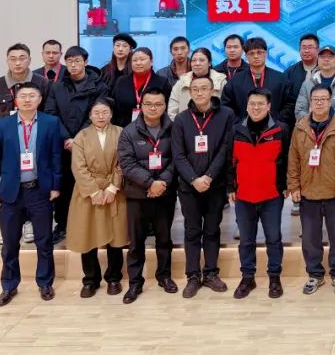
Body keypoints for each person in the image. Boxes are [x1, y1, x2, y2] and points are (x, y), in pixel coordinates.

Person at [0, 83, 63, 306]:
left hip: (40, 190)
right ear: (16, 100)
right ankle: (9, 286)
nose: (27, 100)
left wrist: (55, 185)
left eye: (32, 96)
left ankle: (45, 282)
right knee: (10, 243)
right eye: (23, 96)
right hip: (11, 193)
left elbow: (56, 156)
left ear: (40, 99)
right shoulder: (3, 125)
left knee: (44, 241)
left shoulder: (50, 123)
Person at [171, 74, 235, 297]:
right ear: (189, 92)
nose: (199, 93)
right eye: (195, 89)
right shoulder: (181, 120)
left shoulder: (226, 115)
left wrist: (208, 177)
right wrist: (194, 179)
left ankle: (210, 273)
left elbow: (226, 149)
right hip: (189, 187)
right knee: (192, 231)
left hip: (215, 185)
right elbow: (178, 155)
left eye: (204, 88)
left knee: (212, 229)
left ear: (213, 91)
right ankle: (192, 276)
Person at [288, 85, 335, 295]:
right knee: (310, 238)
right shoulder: (300, 127)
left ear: (330, 101)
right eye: (315, 99)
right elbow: (293, 160)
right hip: (308, 192)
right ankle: (315, 274)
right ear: (310, 102)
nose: (319, 102)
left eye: (323, 99)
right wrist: (294, 186)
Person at [228, 87, 290, 300]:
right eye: (252, 104)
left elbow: (287, 160)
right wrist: (230, 188)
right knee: (246, 240)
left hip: (271, 195)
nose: (256, 108)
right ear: (246, 106)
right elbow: (230, 161)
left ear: (269, 106)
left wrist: (285, 185)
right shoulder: (236, 130)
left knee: (274, 238)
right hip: (244, 195)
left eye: (260, 104)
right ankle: (248, 278)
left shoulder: (281, 130)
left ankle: (274, 277)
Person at [117, 86, 177, 302]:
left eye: (158, 104)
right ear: (141, 106)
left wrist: (161, 184)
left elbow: (177, 159)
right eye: (149, 104)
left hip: (165, 193)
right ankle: (135, 283)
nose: (153, 108)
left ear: (165, 106)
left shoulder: (173, 129)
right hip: (137, 195)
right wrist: (150, 183)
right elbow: (127, 163)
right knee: (136, 243)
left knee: (164, 239)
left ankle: (164, 276)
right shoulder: (129, 132)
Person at [45, 45, 108, 244]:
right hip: (63, 145)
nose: (73, 65)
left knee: (90, 183)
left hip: (90, 143)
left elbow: (98, 114)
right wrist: (66, 138)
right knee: (63, 185)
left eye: (77, 61)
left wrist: (78, 139)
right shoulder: (57, 87)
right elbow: (51, 114)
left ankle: (93, 226)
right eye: (69, 61)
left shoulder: (99, 87)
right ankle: (62, 225)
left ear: (86, 62)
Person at [67, 97, 128, 298]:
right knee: (88, 235)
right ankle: (90, 279)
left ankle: (114, 278)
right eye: (96, 113)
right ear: (90, 115)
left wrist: (112, 188)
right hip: (87, 192)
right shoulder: (82, 136)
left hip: (113, 190)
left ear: (111, 114)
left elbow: (123, 162)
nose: (101, 116)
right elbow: (78, 166)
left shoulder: (121, 133)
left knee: (115, 236)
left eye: (105, 112)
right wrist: (94, 191)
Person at [222, 36, 291, 123]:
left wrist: (276, 122)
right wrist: (239, 124)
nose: (256, 56)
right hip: (243, 128)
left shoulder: (280, 79)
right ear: (246, 56)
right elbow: (226, 105)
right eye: (251, 53)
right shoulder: (235, 81)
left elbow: (289, 104)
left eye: (259, 52)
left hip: (274, 127)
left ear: (266, 53)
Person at [0, 43, 50, 122]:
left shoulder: (42, 82)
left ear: (29, 60)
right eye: (13, 59)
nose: (17, 63)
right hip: (6, 129)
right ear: (7, 61)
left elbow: (48, 112)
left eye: (22, 59)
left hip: (36, 128)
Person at [109, 46, 170, 129]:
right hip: (124, 128)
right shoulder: (121, 81)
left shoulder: (162, 82)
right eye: (134, 60)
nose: (138, 63)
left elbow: (167, 109)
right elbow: (114, 106)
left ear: (151, 61)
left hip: (154, 128)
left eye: (142, 59)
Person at [296, 44, 335, 122]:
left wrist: (332, 124)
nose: (326, 59)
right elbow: (300, 110)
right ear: (318, 60)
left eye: (330, 57)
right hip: (311, 127)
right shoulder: (307, 84)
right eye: (322, 57)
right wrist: (313, 123)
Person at [168, 46, 226, 119]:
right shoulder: (182, 81)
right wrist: (179, 125)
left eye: (201, 60)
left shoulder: (221, 81)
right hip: (185, 124)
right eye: (194, 60)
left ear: (209, 63)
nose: (197, 63)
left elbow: (226, 109)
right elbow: (172, 110)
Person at [284, 33, 320, 110]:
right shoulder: (289, 73)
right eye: (304, 47)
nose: (306, 51)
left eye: (310, 47)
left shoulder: (327, 71)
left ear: (318, 50)